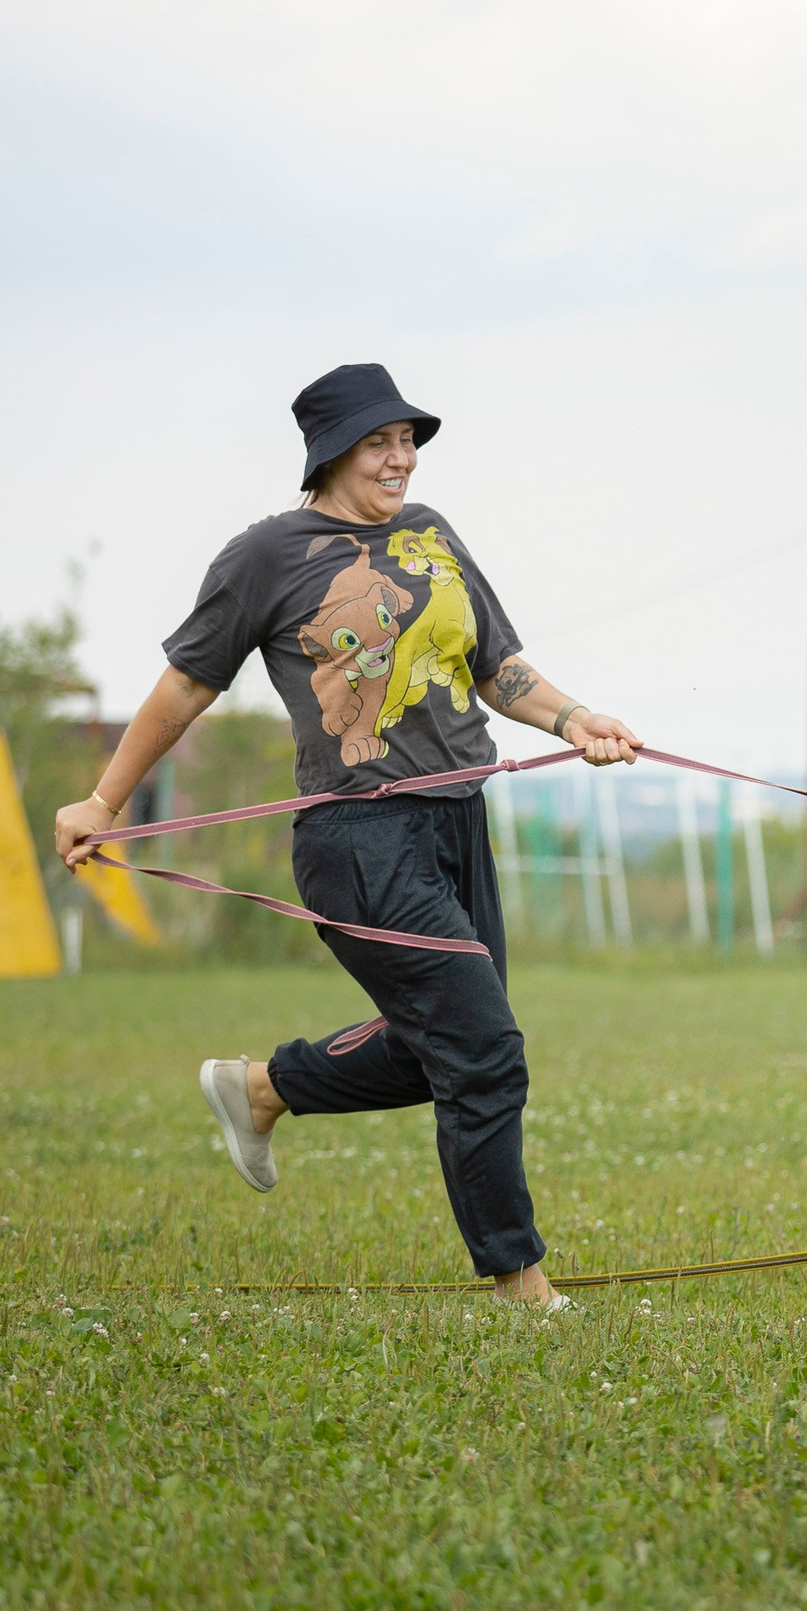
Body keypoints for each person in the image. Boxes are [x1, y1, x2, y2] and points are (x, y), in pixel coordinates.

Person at [54, 363, 638, 1311]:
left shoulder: (432, 535)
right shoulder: (269, 555)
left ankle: (261, 1089)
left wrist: (576, 719)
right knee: (485, 1049)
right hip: (360, 839)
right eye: (380, 441)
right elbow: (187, 682)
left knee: (435, 1044)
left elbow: (496, 666)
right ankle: (520, 1282)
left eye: (409, 439)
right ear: (331, 451)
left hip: (458, 821)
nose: (401, 457)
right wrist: (103, 801)